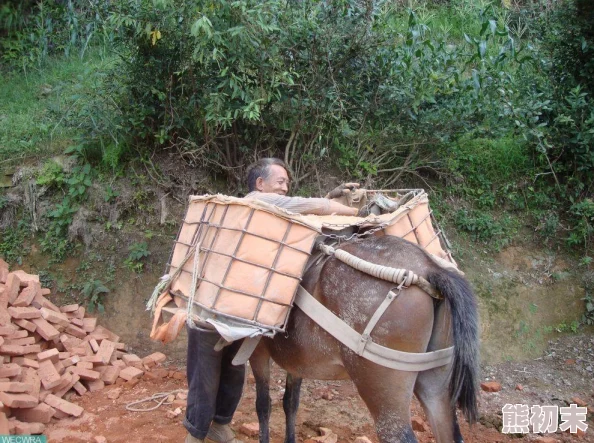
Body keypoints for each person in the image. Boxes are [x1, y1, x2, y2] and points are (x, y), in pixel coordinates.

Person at [184, 158, 358, 443]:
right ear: (260, 184)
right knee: (205, 373)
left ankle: (219, 426)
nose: (285, 188)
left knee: (233, 369)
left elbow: (301, 210)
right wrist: (355, 210)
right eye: (280, 182)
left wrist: (329, 196)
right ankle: (195, 435)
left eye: (288, 183)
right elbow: (315, 207)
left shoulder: (262, 213)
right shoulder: (257, 201)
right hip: (212, 306)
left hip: (238, 308)